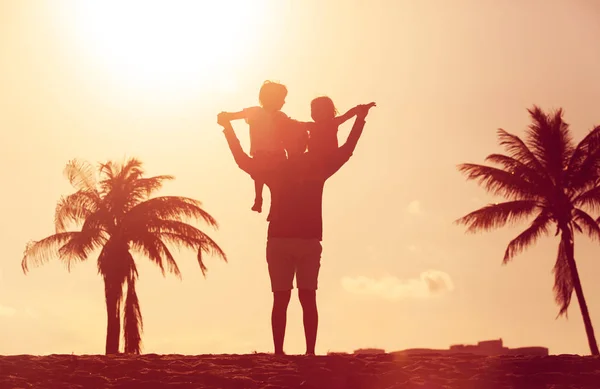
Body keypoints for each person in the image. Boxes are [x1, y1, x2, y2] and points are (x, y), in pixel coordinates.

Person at [218, 102, 375, 355]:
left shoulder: (303, 167)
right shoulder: (304, 167)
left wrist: (227, 128)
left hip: (299, 241)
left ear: (303, 142)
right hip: (288, 241)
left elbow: (242, 161)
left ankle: (306, 352)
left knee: (301, 298)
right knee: (291, 298)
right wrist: (359, 120)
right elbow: (346, 150)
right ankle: (286, 352)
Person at [219, 80, 301, 214]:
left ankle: (270, 206)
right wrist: (226, 116)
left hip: (277, 155)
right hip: (260, 154)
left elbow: (291, 128)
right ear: (271, 98)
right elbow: (235, 115)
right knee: (259, 173)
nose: (283, 102)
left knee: (273, 182)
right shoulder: (255, 111)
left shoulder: (280, 116)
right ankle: (259, 199)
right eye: (281, 99)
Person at [307, 97, 375, 155]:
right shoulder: (311, 125)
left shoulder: (332, 123)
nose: (314, 112)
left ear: (329, 111)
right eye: (312, 110)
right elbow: (298, 125)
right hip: (314, 155)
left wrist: (359, 109)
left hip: (329, 155)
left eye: (318, 110)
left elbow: (347, 116)